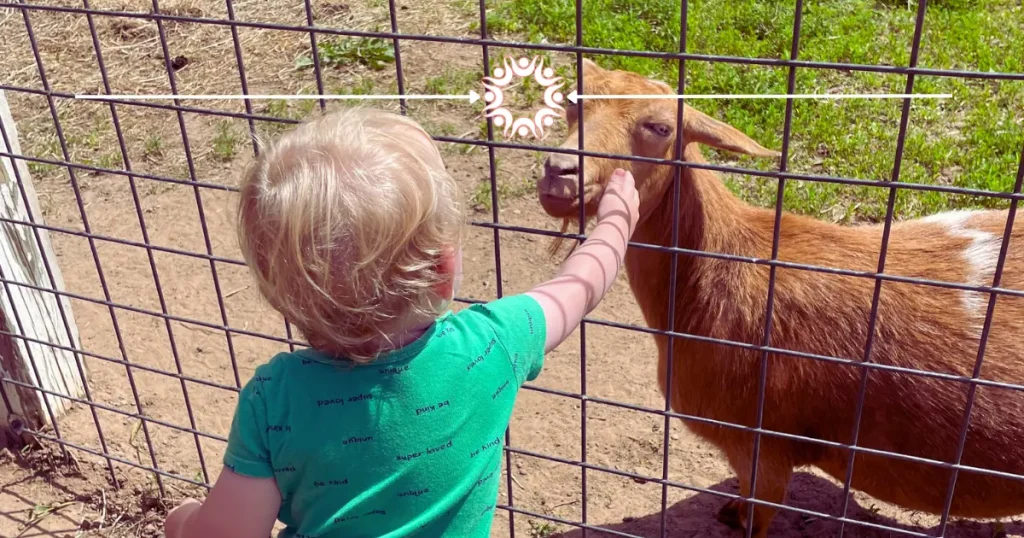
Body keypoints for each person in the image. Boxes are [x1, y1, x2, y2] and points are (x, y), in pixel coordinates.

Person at [163, 106, 639, 538]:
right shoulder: (493, 345)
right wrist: (615, 223)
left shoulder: (275, 399)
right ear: (443, 269)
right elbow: (577, 288)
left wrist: (182, 522)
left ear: (278, 292)